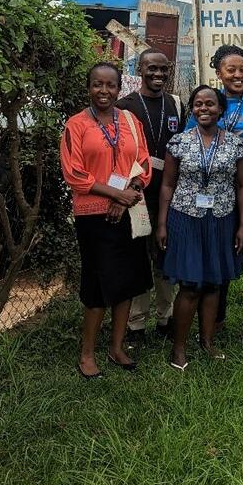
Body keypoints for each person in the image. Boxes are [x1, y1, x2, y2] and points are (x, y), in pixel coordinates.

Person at [59, 62, 152, 378]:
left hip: (128, 211)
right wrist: (114, 195)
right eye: (98, 84)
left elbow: (142, 164)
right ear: (88, 87)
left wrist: (130, 192)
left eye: (110, 85)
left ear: (118, 88)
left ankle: (116, 347)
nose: (104, 91)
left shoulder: (130, 121)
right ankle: (87, 354)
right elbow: (74, 174)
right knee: (97, 285)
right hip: (93, 216)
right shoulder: (76, 125)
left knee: (127, 282)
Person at [158, 85, 243, 370]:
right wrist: (161, 223)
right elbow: (168, 185)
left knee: (213, 284)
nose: (204, 109)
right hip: (186, 218)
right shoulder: (179, 142)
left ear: (221, 109)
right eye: (198, 104)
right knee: (190, 286)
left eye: (210, 104)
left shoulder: (236, 144)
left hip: (221, 219)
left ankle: (208, 342)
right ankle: (179, 348)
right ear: (192, 109)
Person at [188, 44, 243, 340]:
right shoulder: (208, 101)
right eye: (231, 70)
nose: (238, 75)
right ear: (219, 73)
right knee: (219, 258)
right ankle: (216, 322)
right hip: (219, 196)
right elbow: (190, 141)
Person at [116, 48, 184, 342]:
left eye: (163, 70)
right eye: (151, 69)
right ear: (140, 69)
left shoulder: (177, 105)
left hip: (170, 194)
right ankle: (136, 323)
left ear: (169, 70)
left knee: (166, 256)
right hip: (136, 195)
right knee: (138, 258)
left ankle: (165, 317)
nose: (158, 75)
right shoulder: (125, 106)